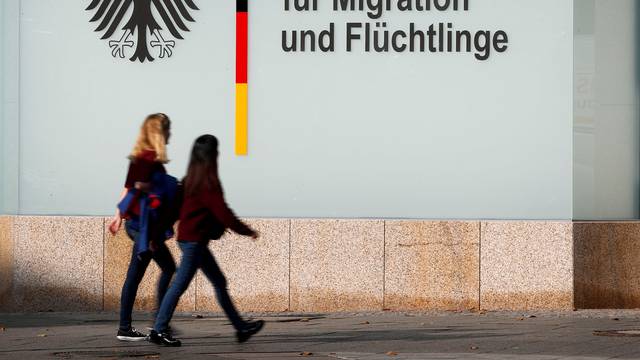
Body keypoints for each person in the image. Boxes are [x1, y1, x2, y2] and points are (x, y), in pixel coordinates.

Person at [149, 134, 264, 347]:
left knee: (219, 281)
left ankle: (241, 328)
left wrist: (156, 234)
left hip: (191, 241)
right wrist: (247, 231)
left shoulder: (190, 180)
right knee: (179, 285)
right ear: (212, 156)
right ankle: (159, 329)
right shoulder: (208, 183)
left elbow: (174, 210)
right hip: (194, 244)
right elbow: (224, 213)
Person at [108, 113, 178, 342]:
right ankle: (157, 323)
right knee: (167, 268)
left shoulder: (139, 157)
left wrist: (118, 215)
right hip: (144, 229)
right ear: (161, 132)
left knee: (137, 275)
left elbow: (127, 188)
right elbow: (138, 188)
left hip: (136, 225)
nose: (171, 134)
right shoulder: (149, 159)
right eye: (168, 130)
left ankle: (129, 327)